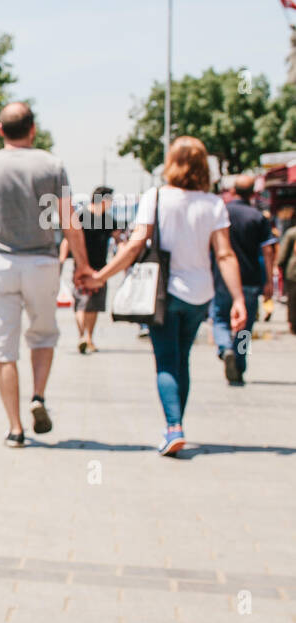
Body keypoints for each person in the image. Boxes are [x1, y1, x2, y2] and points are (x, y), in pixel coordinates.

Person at [82, 137, 246, 456]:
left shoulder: (155, 197)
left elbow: (134, 245)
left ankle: (174, 427)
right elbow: (224, 255)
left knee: (166, 361)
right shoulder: (213, 204)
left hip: (163, 292)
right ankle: (176, 424)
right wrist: (237, 298)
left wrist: (101, 276)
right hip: (200, 295)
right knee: (182, 358)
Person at [0, 102, 93, 447]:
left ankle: (15, 428)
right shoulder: (53, 165)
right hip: (42, 265)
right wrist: (82, 265)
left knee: (3, 350)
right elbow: (69, 222)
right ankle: (38, 396)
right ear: (32, 130)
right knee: (43, 336)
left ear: (1, 130)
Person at [210, 174, 271, 385]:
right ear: (253, 193)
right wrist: (269, 280)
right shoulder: (258, 216)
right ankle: (240, 363)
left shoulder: (221, 212)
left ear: (233, 191)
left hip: (223, 278)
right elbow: (267, 250)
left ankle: (225, 347)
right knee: (246, 327)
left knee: (219, 318)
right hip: (251, 278)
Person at [59, 185, 119, 353]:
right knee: (83, 303)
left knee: (92, 305)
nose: (111, 203)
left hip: (101, 268)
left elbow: (119, 240)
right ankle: (84, 337)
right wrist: (62, 259)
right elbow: (67, 240)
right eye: (110, 200)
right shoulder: (81, 216)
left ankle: (87, 337)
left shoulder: (109, 220)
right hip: (82, 267)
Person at [277, 220, 296, 335]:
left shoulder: (291, 232)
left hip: (293, 272)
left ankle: (293, 324)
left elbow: (282, 255)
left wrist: (281, 265)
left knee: (293, 300)